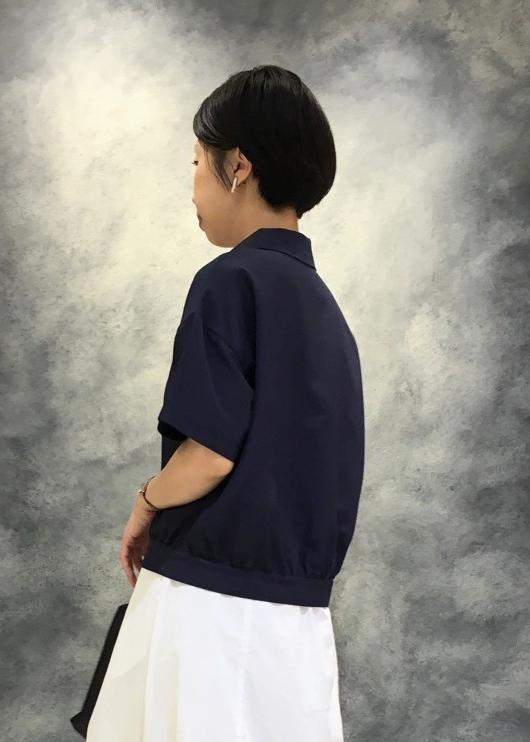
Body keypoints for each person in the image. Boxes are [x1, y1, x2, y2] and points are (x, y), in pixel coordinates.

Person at [86, 64, 364, 742]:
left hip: (207, 611)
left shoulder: (228, 281)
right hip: (296, 631)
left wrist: (145, 501)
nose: (193, 185)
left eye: (195, 163)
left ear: (237, 165)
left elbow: (209, 455)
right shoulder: (328, 314)